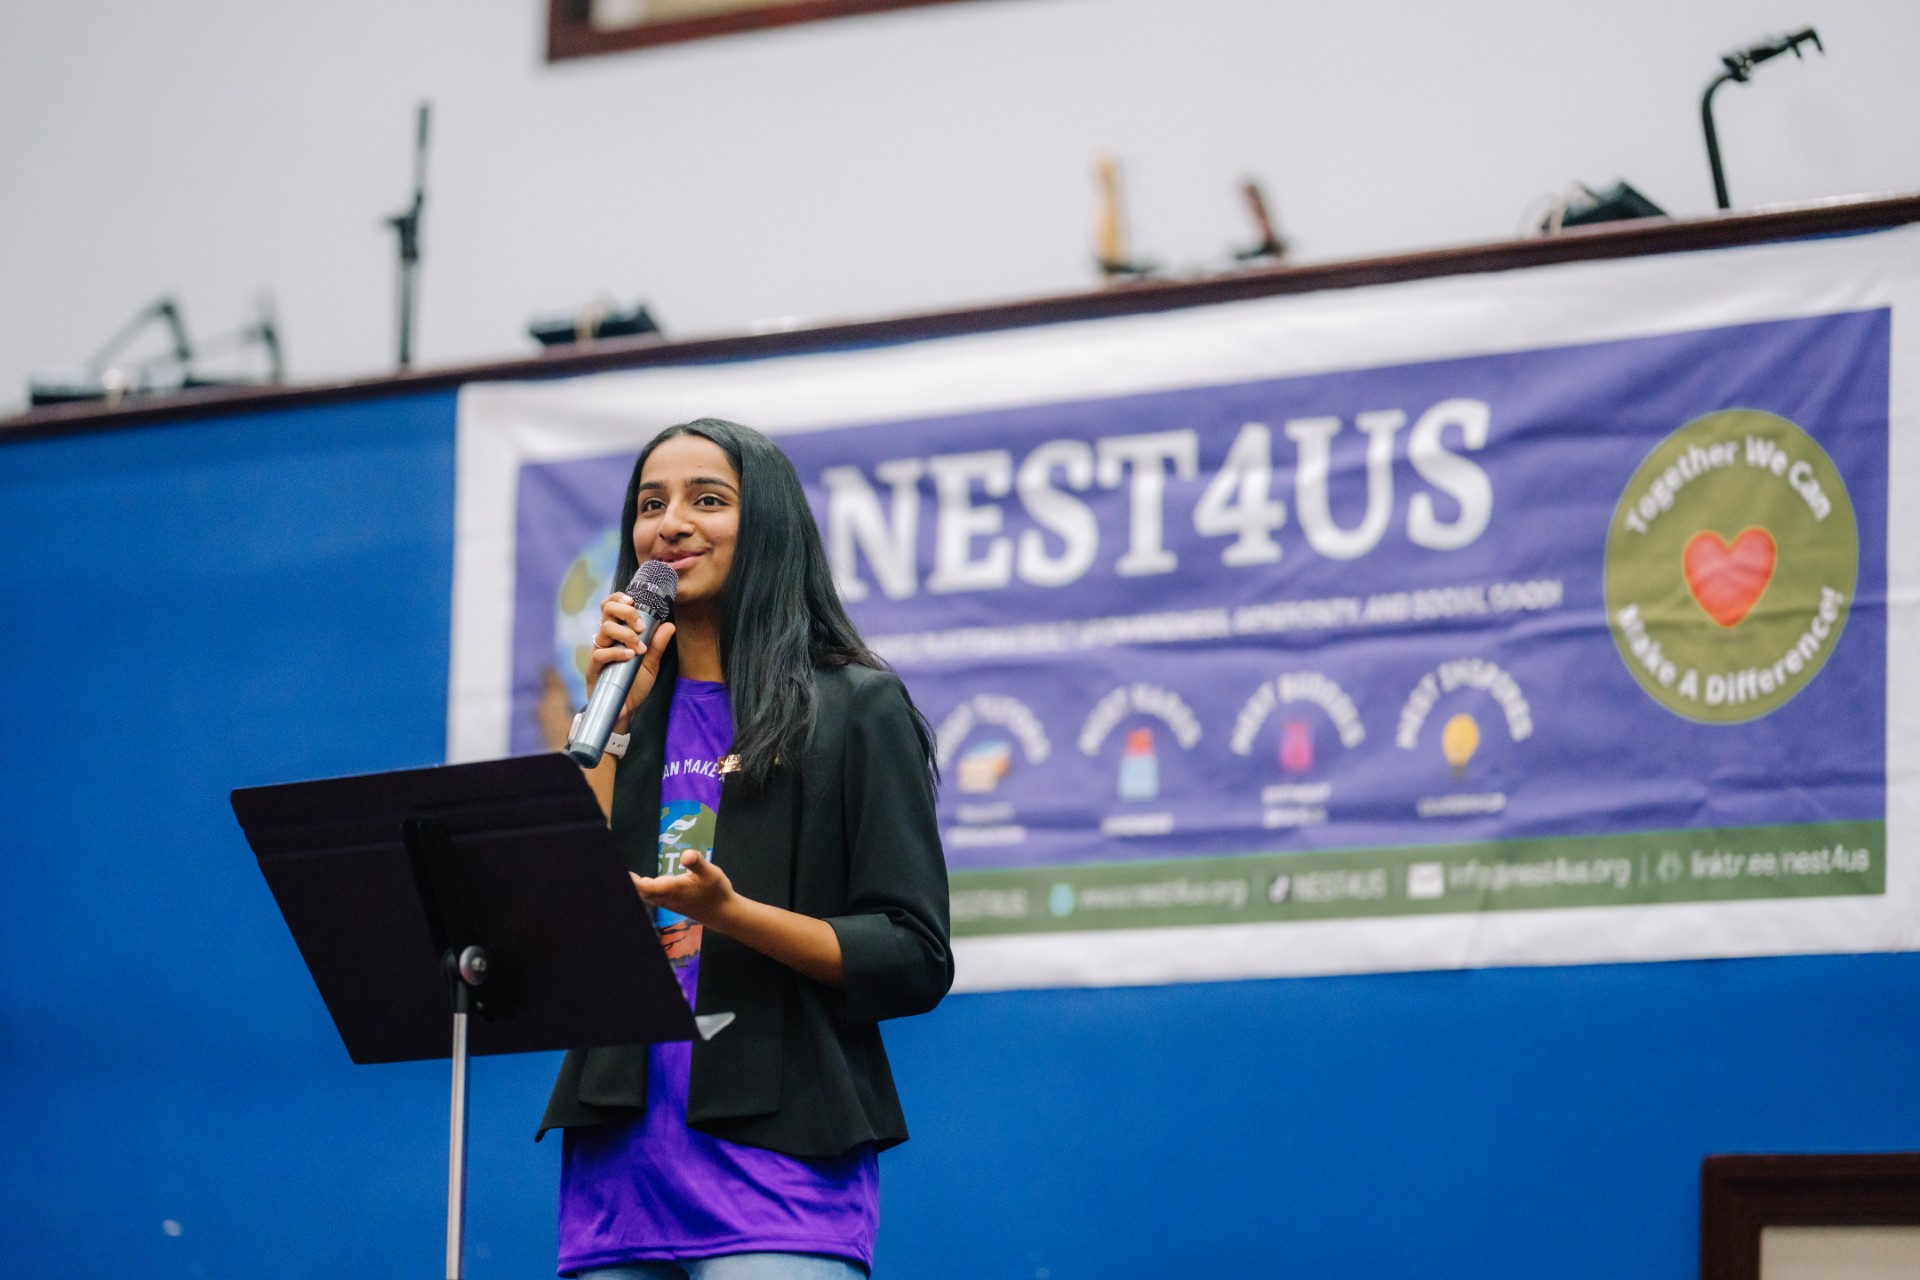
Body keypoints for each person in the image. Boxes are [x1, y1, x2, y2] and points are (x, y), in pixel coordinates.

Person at [538, 418, 953, 1280]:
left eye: (708, 500)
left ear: (768, 522)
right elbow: (569, 919)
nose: (672, 524)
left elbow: (912, 953)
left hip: (779, 1171)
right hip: (619, 1173)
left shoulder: (854, 708)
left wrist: (732, 915)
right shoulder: (617, 714)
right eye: (651, 505)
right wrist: (607, 723)